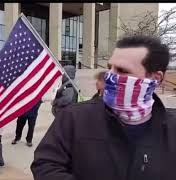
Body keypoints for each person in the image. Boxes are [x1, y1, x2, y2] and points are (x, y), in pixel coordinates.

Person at [31, 35, 176, 180]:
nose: (109, 76)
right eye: (109, 67)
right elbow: (45, 164)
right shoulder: (74, 117)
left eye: (122, 70)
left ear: (156, 78)